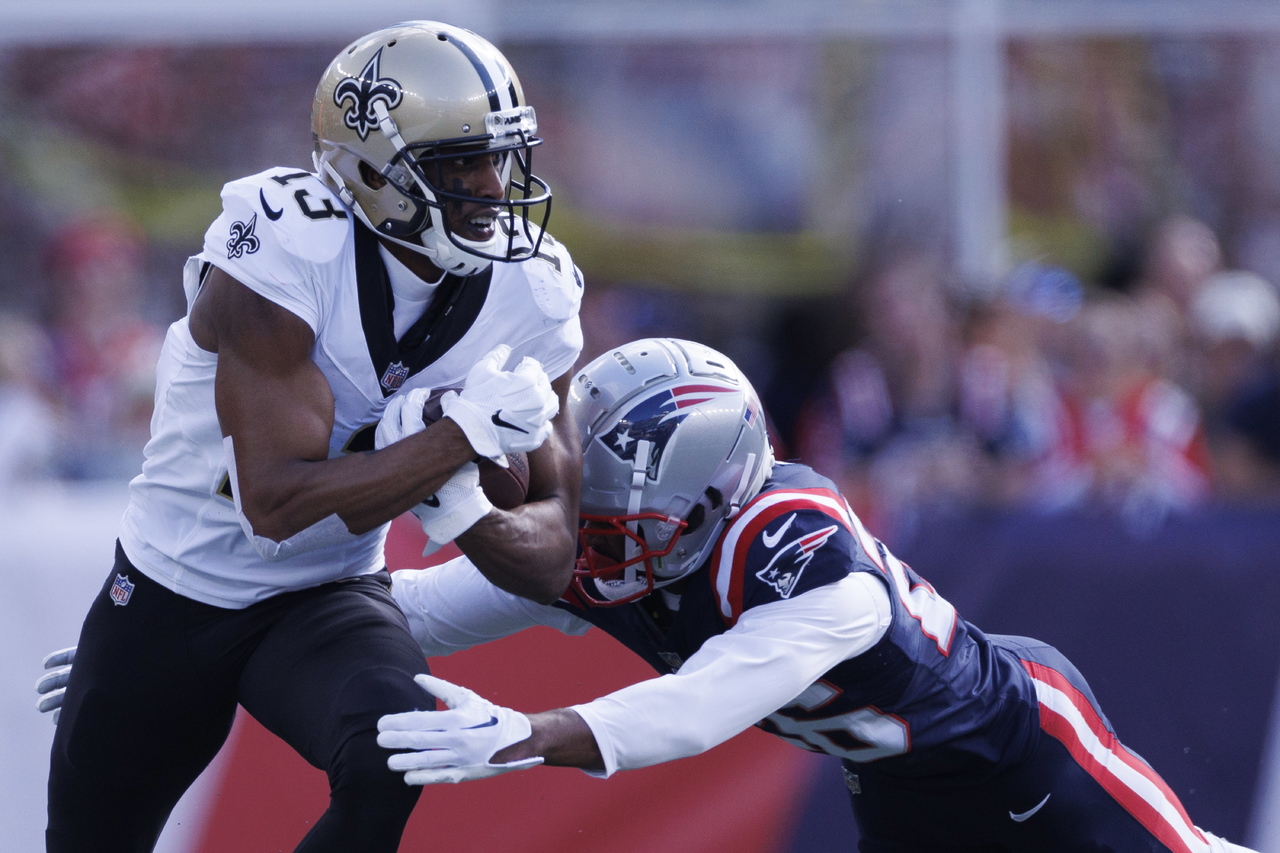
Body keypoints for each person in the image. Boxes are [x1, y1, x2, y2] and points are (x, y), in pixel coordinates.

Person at [371, 337, 1253, 852]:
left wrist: (528, 735)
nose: (586, 547)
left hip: (1020, 752)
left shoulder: (803, 559)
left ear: (704, 504)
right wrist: (302, 593)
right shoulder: (634, 542)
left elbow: (695, 707)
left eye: (610, 523)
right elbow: (413, 609)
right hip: (899, 791)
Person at [39, 21, 583, 853]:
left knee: (398, 744)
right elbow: (274, 505)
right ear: (371, 173)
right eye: (460, 164)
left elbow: (551, 558)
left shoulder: (531, 291)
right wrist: (456, 440)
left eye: (501, 158)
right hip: (173, 591)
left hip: (325, 594)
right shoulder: (288, 250)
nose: (492, 187)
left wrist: (463, 503)